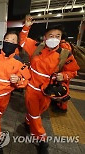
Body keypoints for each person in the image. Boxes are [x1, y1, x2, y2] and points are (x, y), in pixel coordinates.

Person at [19, 15, 79, 153]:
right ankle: (42, 140)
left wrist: (63, 75)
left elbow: (73, 71)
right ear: (45, 37)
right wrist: (26, 26)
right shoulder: (36, 47)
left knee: (38, 112)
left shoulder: (65, 54)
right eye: (50, 35)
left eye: (57, 36)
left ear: (61, 38)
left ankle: (27, 122)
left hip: (48, 91)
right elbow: (22, 41)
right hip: (32, 89)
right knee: (35, 115)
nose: (54, 38)